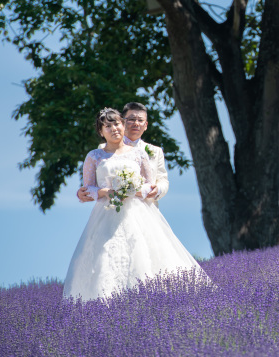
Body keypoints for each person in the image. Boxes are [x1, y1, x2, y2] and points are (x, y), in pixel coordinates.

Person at [63, 108, 206, 302]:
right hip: (106, 214)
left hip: (138, 213)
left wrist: (131, 189)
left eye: (117, 124)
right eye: (108, 126)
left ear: (123, 126)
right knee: (105, 257)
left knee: (142, 254)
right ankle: (107, 303)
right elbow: (88, 188)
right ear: (101, 131)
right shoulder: (95, 156)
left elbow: (150, 185)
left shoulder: (140, 154)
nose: (114, 129)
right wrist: (106, 192)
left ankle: (150, 299)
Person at [77, 102, 168, 204]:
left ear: (146, 125)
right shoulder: (100, 151)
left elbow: (162, 179)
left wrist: (157, 189)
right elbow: (94, 183)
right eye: (132, 119)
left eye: (140, 120)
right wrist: (85, 192)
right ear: (124, 122)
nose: (136, 123)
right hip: (110, 206)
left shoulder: (154, 151)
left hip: (143, 207)